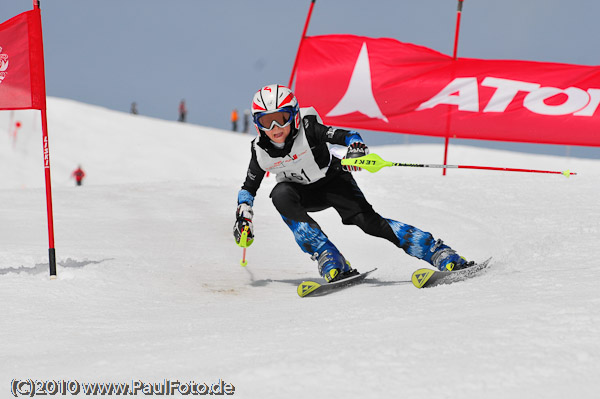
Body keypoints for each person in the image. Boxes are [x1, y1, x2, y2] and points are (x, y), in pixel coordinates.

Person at [233, 84, 473, 283]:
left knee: (369, 223)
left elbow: (348, 136)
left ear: (294, 116)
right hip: (302, 194)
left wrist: (356, 150)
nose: (275, 128)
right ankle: (328, 256)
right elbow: (248, 188)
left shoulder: (309, 128)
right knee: (280, 193)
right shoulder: (260, 151)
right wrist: (244, 217)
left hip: (334, 181)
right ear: (257, 124)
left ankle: (438, 252)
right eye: (267, 121)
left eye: (281, 118)